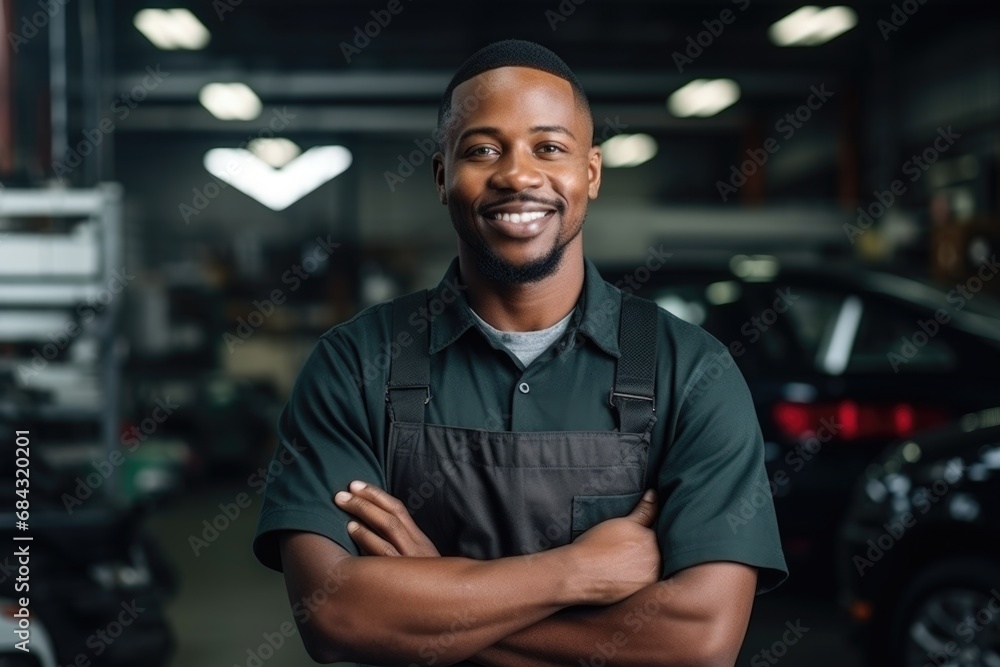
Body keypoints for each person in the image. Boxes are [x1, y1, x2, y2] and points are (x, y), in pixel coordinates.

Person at [252, 39, 787, 667]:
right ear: (441, 176)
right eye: (482, 150)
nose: (517, 174)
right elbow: (335, 615)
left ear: (590, 172)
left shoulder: (691, 371)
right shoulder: (354, 364)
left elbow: (699, 642)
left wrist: (433, 591)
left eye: (549, 148)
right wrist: (573, 572)